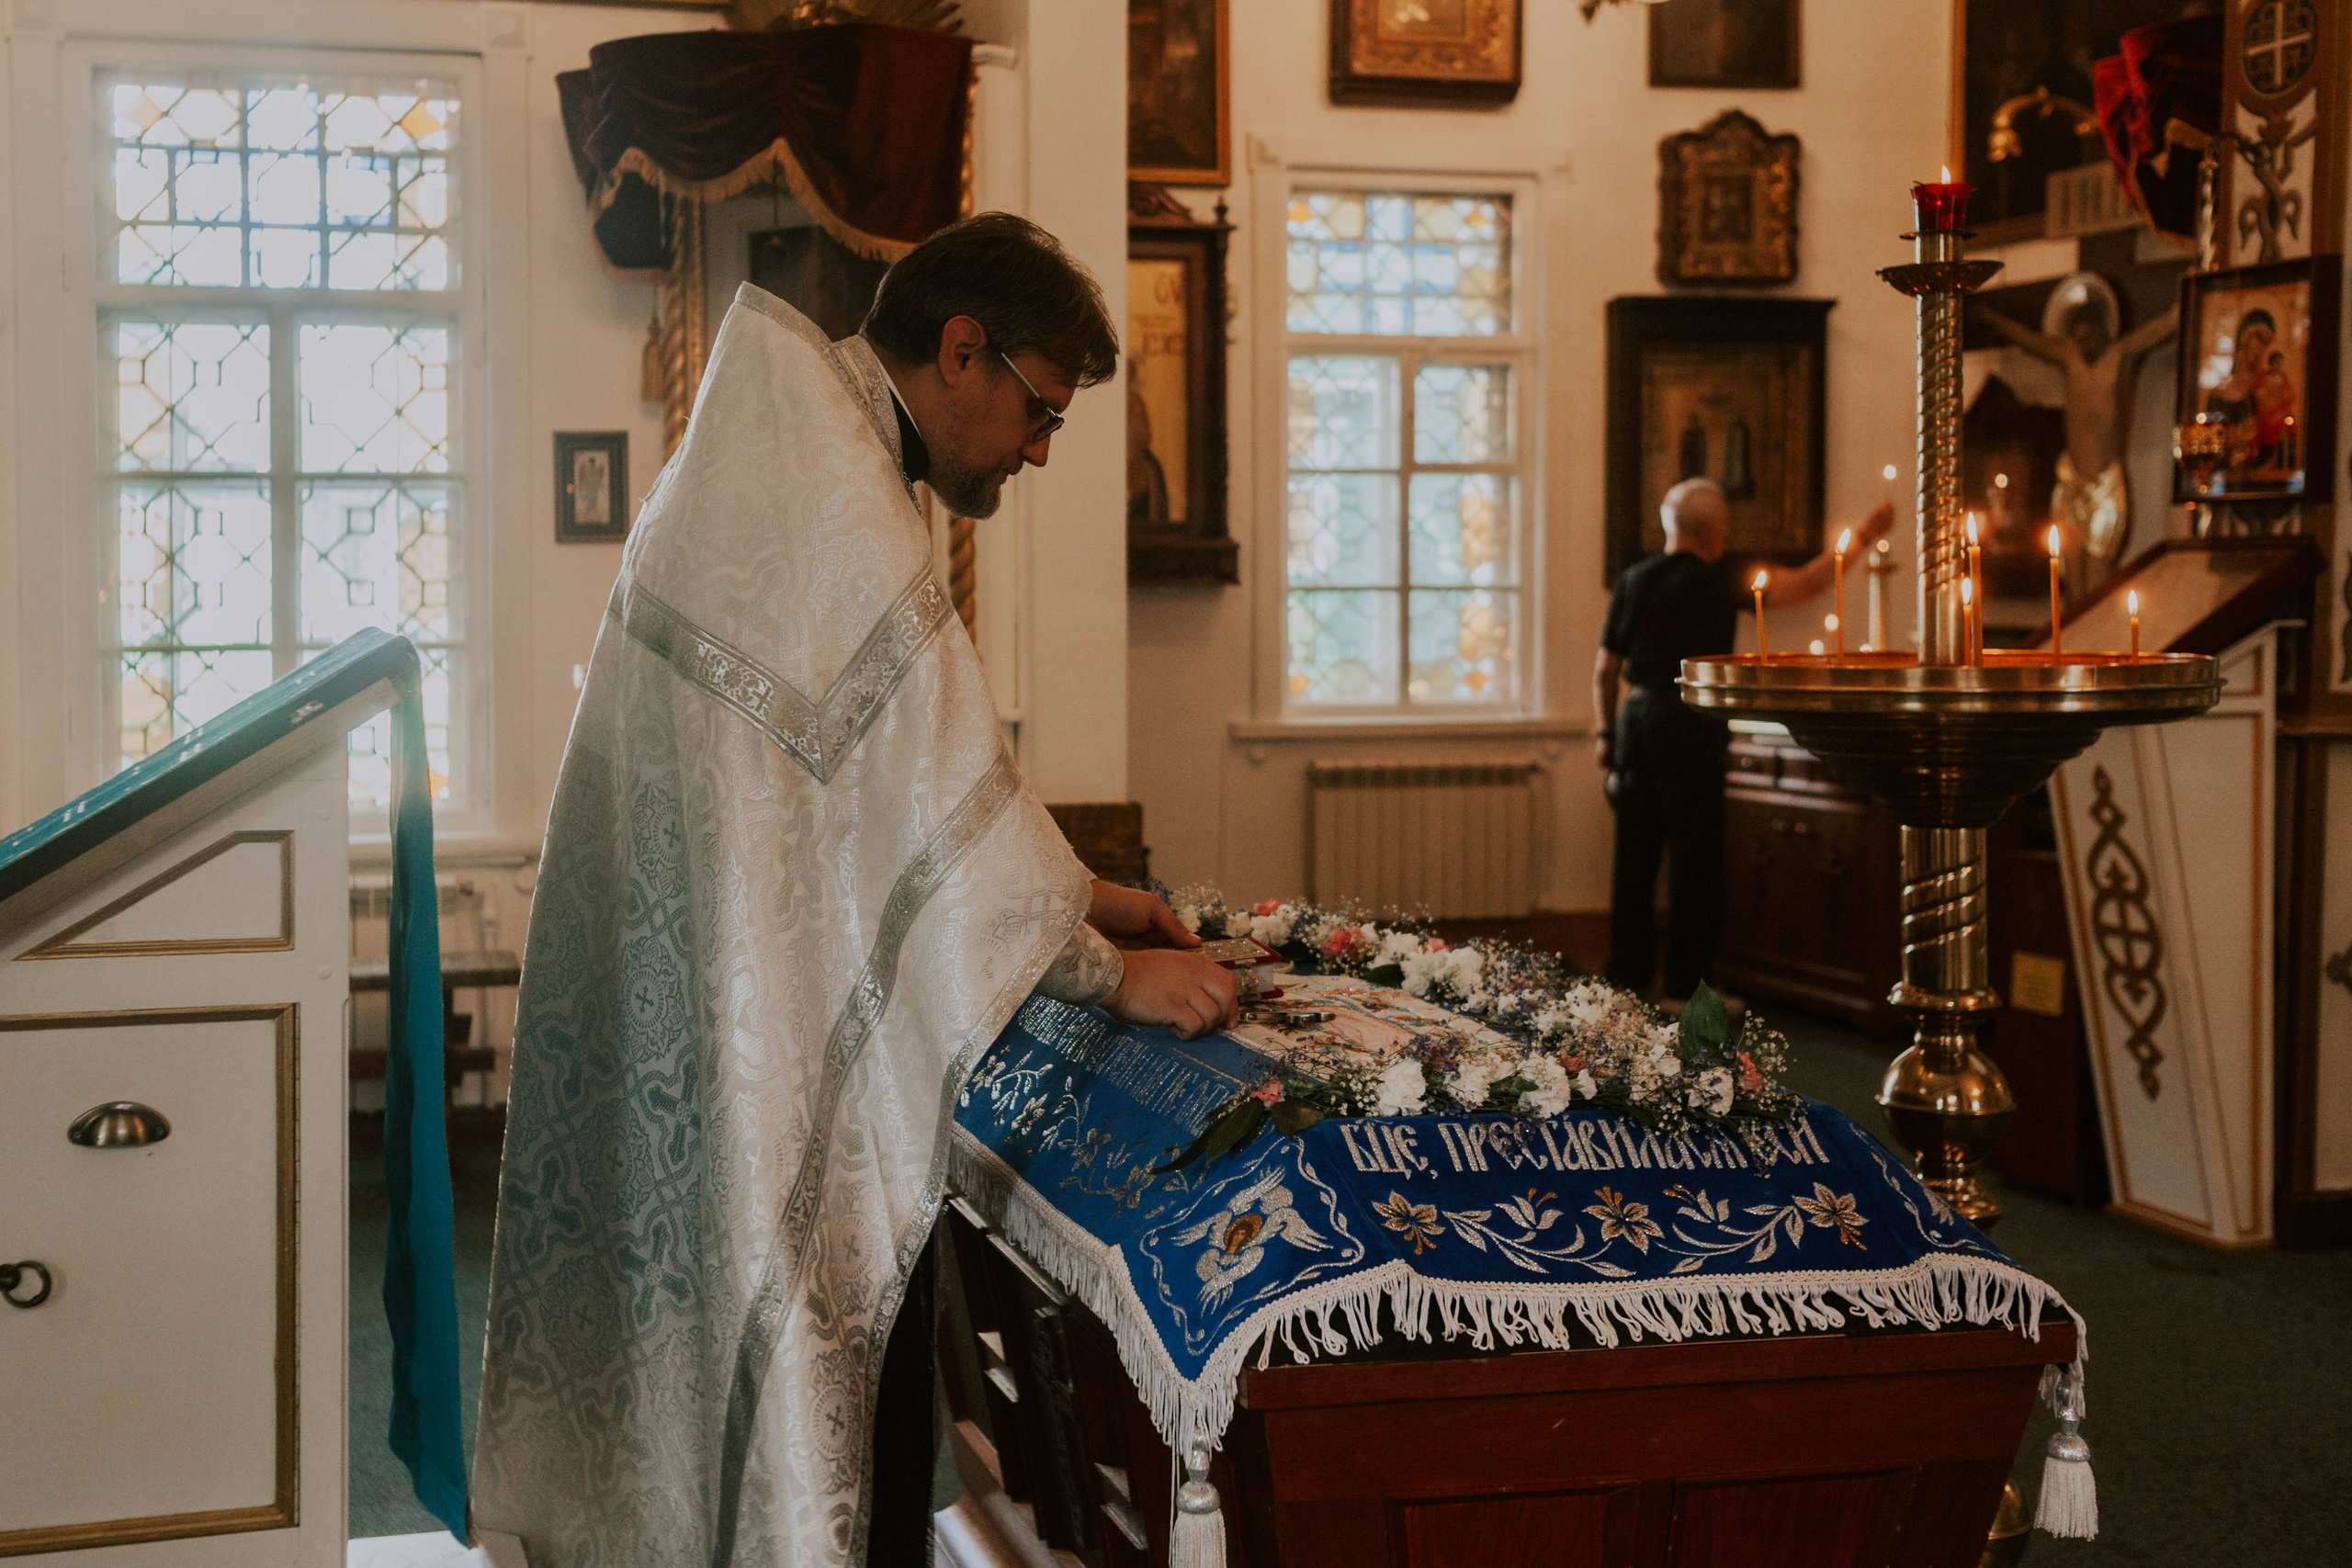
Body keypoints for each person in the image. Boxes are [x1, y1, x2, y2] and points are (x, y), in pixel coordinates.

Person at [473, 213, 1238, 1568]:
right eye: (1042, 410)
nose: (1045, 449)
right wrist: (1108, 970)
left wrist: (1079, 890)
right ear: (962, 353)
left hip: (699, 1003)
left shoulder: (793, 440)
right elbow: (923, 780)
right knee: (831, 1365)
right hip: (748, 1054)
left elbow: (903, 782)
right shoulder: (835, 497)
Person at [1593, 479, 1892, 1001]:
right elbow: (1807, 583)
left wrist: (1605, 735)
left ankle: (1626, 980)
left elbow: (1604, 671)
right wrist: (1865, 533)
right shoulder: (1720, 578)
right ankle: (1686, 987)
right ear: (1713, 529)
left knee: (1633, 861)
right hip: (1692, 720)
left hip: (1638, 720)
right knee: (1697, 861)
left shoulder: (1634, 579)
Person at [1973, 295, 2177, 562]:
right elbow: (2032, 341)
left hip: (2105, 482)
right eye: (2078, 338)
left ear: (2104, 332)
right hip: (2072, 481)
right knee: (2068, 573)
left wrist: (2181, 306)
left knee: (2098, 572)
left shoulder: (2118, 355)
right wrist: (1996, 320)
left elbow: (2155, 332)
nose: (2084, 344)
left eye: (2090, 336)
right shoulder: (2069, 357)